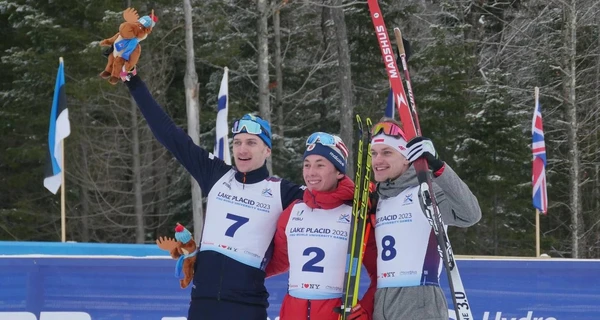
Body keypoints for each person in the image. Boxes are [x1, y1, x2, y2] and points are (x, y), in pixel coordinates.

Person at [124, 73, 305, 320]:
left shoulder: (282, 192)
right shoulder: (217, 174)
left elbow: (328, 196)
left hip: (247, 308)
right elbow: (169, 135)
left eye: (251, 143)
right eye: (238, 142)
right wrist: (133, 82)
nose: (242, 149)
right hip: (203, 304)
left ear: (267, 150)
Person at [368, 118, 481, 320]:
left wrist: (438, 166)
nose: (377, 160)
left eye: (387, 152)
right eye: (374, 153)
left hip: (419, 300)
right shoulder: (380, 198)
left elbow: (469, 214)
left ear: (406, 157)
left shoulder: (426, 191)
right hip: (383, 300)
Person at [266, 132, 377, 320]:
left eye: (320, 165)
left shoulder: (357, 214)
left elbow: (379, 274)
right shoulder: (293, 212)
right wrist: (240, 272)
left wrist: (364, 310)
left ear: (339, 171)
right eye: (307, 165)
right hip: (292, 312)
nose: (311, 172)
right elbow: (279, 261)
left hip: (335, 313)